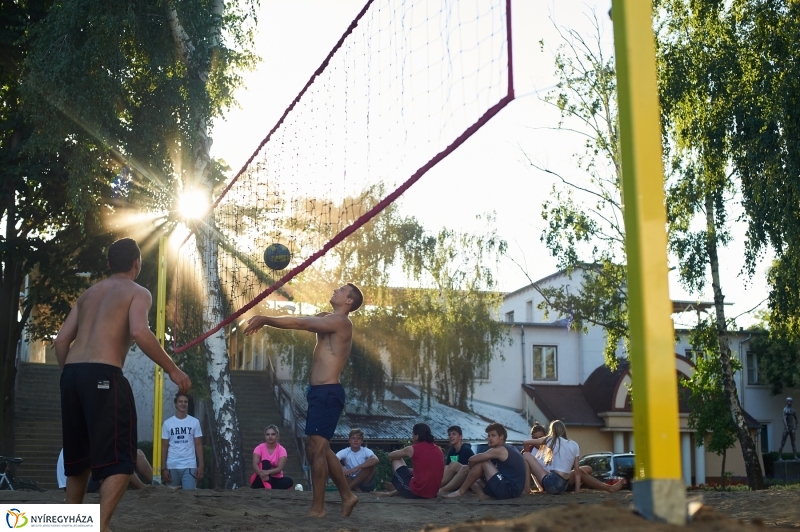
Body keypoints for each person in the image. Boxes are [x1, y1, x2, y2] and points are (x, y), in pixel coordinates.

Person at [54, 238, 191, 532]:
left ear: (107, 264)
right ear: (136, 264)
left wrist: (70, 376)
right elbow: (139, 331)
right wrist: (173, 370)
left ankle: (71, 524)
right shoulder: (137, 291)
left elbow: (61, 340)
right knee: (122, 458)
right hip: (103, 373)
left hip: (72, 375)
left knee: (78, 459)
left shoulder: (88, 294)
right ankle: (99, 526)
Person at [244, 283, 363, 518]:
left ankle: (318, 508)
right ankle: (348, 496)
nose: (335, 290)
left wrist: (266, 318)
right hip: (319, 393)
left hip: (328, 393)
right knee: (321, 448)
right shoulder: (329, 318)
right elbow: (302, 317)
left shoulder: (341, 322)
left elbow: (299, 323)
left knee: (315, 450)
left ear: (349, 301)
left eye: (341, 290)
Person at [444, 423, 526, 500]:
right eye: (489, 435)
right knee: (476, 478)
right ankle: (481, 494)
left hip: (508, 490)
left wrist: (472, 468)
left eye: (493, 435)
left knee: (483, 462)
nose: (489, 438)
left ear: (501, 437)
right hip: (514, 490)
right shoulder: (511, 448)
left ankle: (460, 491)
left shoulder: (499, 450)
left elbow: (472, 459)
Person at [520, 420, 580, 495]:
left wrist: (527, 461)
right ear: (564, 430)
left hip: (553, 485)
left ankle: (526, 490)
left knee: (526, 455)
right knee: (549, 473)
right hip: (564, 486)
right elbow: (577, 471)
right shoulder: (574, 444)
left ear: (552, 430)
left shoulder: (552, 439)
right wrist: (577, 491)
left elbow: (525, 442)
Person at [386, 423, 444, 499]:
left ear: (416, 436)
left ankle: (398, 486)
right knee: (411, 471)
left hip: (416, 492)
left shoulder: (412, 449)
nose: (412, 436)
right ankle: (397, 487)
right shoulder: (438, 449)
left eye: (412, 434)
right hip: (433, 493)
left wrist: (391, 461)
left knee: (396, 459)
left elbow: (390, 455)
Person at [58, 448, 153, 492]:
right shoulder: (87, 440)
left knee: (137, 454)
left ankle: (156, 483)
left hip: (82, 479)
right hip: (76, 485)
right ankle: (143, 488)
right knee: (119, 462)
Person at [161, 392, 204, 490]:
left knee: (189, 496)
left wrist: (201, 465)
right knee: (172, 497)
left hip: (189, 465)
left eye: (185, 402)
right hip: (172, 465)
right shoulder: (167, 423)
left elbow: (198, 445)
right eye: (180, 401)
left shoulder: (194, 422)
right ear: (175, 404)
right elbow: (164, 446)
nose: (183, 404)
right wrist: (163, 468)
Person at [250, 425, 294, 489]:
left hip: (275, 478)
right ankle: (267, 484)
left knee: (289, 481)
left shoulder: (282, 450)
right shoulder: (259, 448)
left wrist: (267, 472)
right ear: (265, 436)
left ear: (277, 436)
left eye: (273, 434)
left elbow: (279, 468)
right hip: (260, 477)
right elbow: (255, 464)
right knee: (266, 462)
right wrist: (261, 474)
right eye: (268, 434)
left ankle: (268, 484)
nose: (270, 437)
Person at [439, 425, 473, 492]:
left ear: (460, 436)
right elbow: (447, 467)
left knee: (454, 464)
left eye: (454, 434)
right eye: (449, 435)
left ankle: (436, 487)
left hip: (467, 479)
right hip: (454, 479)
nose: (451, 436)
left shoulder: (466, 450)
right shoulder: (452, 451)